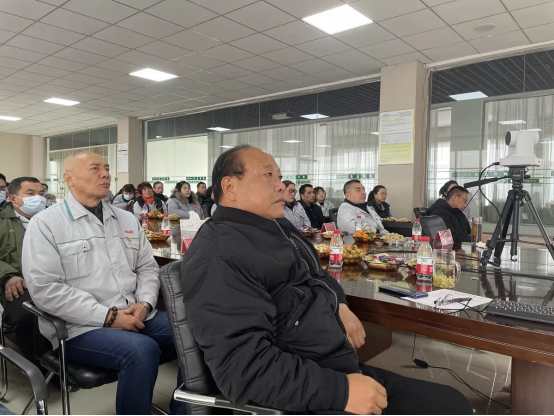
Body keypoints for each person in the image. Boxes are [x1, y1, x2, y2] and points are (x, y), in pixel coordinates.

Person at [181, 145, 472, 415]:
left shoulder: (276, 227)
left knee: (452, 403)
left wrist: (340, 304)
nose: (281, 185)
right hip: (306, 390)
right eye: (268, 175)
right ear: (230, 186)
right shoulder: (220, 255)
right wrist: (341, 392)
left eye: (279, 177)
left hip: (333, 366)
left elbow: (316, 273)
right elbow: (244, 371)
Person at [22, 152, 179, 415]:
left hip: (136, 312)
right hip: (79, 327)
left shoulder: (126, 219)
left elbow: (147, 268)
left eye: (106, 168)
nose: (105, 173)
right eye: (94, 168)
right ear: (69, 179)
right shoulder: (46, 224)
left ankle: (186, 410)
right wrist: (109, 317)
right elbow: (46, 289)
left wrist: (145, 304)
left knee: (195, 330)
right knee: (142, 350)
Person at [0, 177, 48, 366]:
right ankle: (44, 368)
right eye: (30, 194)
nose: (39, 198)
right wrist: (9, 276)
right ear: (13, 198)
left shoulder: (53, 220)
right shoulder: (3, 222)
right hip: (15, 283)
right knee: (31, 316)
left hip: (51, 280)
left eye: (41, 193)